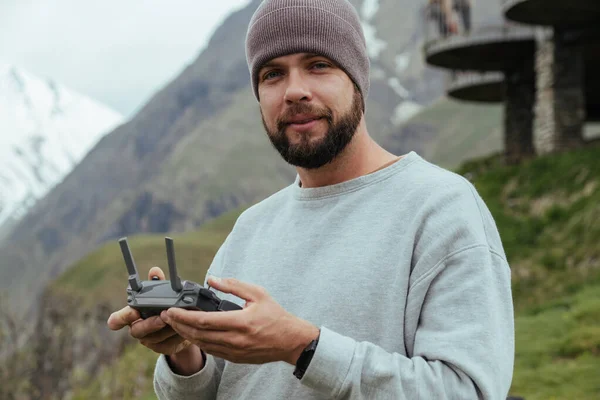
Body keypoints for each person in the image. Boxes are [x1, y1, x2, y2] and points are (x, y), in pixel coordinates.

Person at [107, 0, 515, 399]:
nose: (295, 91)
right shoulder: (252, 227)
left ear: (356, 79)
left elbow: (469, 391)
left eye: (318, 65)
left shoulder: (441, 207)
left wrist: (302, 347)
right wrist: (185, 355)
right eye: (272, 74)